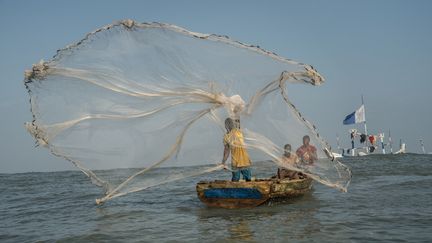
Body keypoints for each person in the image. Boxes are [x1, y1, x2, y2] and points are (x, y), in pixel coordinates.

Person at [221, 117, 252, 182]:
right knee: (245, 179)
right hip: (241, 161)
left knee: (238, 180)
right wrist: (223, 162)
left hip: (241, 161)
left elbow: (226, 152)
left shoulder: (236, 131)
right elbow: (226, 151)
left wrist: (223, 162)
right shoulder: (234, 133)